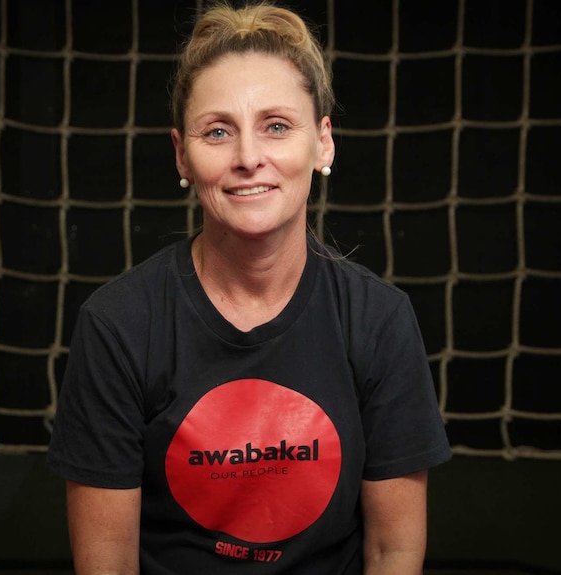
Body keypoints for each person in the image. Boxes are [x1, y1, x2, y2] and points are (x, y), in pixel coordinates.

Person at [47, 2, 451, 573]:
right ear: (182, 155)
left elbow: (394, 549)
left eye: (277, 126)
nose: (248, 158)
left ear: (324, 144)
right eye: (217, 131)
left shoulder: (378, 320)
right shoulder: (118, 325)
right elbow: (108, 559)